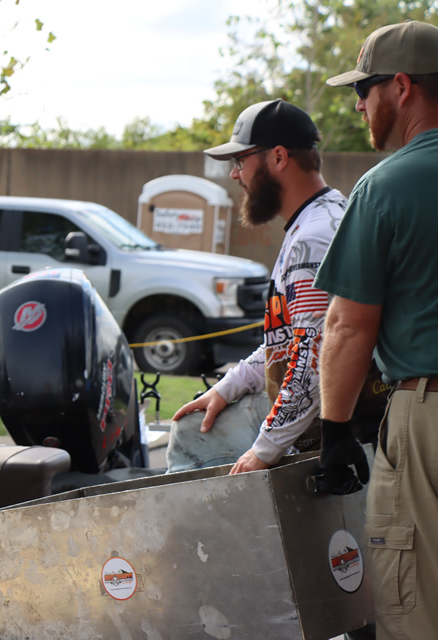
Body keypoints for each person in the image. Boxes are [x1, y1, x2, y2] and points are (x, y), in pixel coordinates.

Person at [314, 20, 438, 639]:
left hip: (428, 415)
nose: (360, 104)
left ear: (403, 86)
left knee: (415, 607)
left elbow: (346, 327)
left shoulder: (386, 186)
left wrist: (335, 432)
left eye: (365, 88)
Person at [166, 99, 347, 475]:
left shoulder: (313, 238)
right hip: (320, 409)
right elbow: (292, 340)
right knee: (195, 423)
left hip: (329, 421)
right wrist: (226, 387)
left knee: (189, 435)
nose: (235, 175)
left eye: (240, 161)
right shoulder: (320, 217)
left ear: (279, 157)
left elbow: (312, 359)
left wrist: (265, 449)